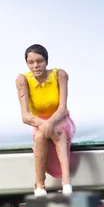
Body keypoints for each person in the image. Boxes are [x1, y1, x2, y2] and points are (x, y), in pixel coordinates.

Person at [15, 44, 76, 196]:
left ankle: (67, 183)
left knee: (59, 133)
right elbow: (25, 116)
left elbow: (62, 108)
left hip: (60, 119)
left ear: (46, 61)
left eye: (39, 61)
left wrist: (51, 123)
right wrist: (44, 124)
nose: (35, 66)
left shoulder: (59, 75)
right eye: (31, 62)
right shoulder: (23, 80)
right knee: (40, 136)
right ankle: (39, 184)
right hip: (38, 121)